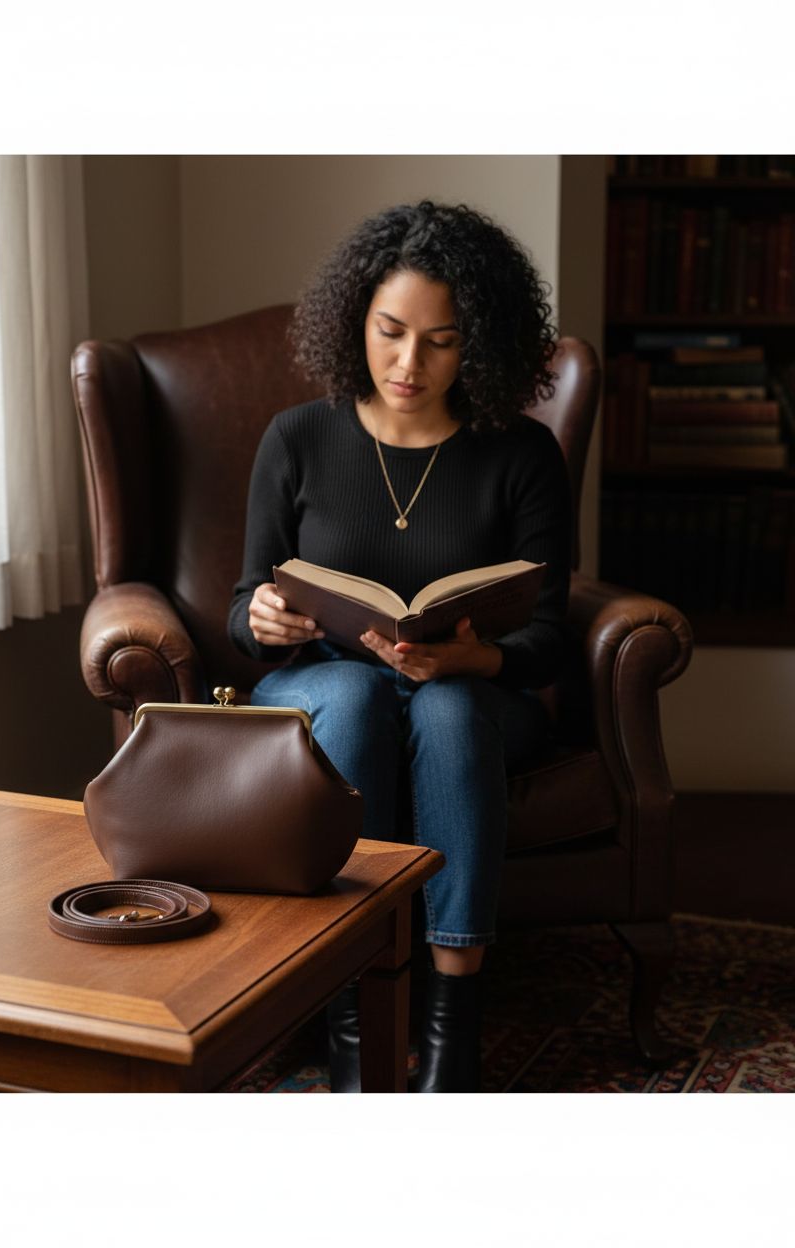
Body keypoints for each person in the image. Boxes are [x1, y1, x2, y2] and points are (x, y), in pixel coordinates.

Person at [227, 200, 571, 1092]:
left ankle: (452, 1041)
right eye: (390, 332)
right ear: (356, 321)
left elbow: (548, 637)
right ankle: (356, 1027)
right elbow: (243, 606)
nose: (409, 364)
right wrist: (262, 618)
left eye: (441, 341)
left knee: (448, 711)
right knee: (355, 695)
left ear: (479, 345)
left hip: (475, 694)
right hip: (323, 687)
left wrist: (472, 659)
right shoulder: (298, 436)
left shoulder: (523, 453)